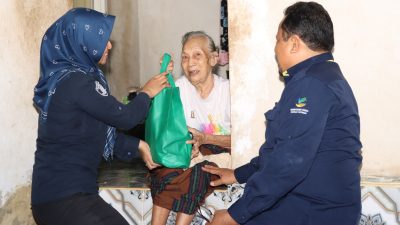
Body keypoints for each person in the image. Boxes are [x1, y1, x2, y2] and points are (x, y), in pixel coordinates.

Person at [203, 2, 362, 225]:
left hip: (315, 212)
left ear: (294, 44)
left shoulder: (311, 84)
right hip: (316, 208)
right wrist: (239, 174)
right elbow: (282, 149)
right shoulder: (323, 78)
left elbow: (287, 163)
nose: (276, 49)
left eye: (278, 40)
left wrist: (234, 215)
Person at [31, 8, 169, 225]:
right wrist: (146, 93)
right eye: (102, 39)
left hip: (58, 196)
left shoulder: (66, 80)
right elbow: (125, 118)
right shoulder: (76, 82)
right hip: (66, 198)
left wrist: (139, 146)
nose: (109, 45)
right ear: (82, 41)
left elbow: (93, 133)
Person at [150, 31, 231, 225]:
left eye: (197, 55)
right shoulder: (179, 88)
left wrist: (206, 139)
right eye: (184, 57)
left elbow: (245, 141)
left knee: (199, 173)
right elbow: (166, 128)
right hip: (189, 152)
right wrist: (164, 76)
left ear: (213, 59)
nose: (190, 63)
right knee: (164, 170)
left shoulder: (228, 91)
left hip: (221, 153)